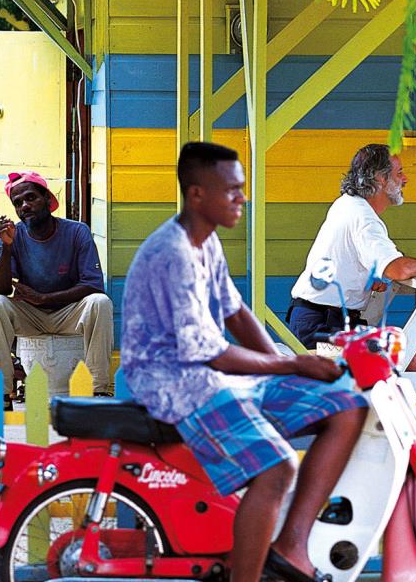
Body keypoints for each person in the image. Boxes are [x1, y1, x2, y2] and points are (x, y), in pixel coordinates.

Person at [122, 142, 370, 582]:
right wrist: (294, 365)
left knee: (346, 404)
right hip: (175, 384)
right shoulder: (173, 253)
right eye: (231, 190)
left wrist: (287, 363)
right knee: (277, 469)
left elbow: (235, 312)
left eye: (242, 189)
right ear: (197, 194)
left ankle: (291, 547)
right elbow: (211, 352)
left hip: (208, 376)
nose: (242, 198)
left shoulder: (205, 241)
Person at [288, 145, 416, 347]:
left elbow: (369, 261)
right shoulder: (364, 218)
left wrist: (378, 274)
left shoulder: (347, 203)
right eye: (400, 173)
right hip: (322, 327)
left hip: (317, 320)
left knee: (406, 355)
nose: (405, 179)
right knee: (409, 360)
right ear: (381, 178)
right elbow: (398, 268)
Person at [0, 171, 113, 409]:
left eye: (31, 198)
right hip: (30, 315)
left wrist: (45, 298)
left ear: (47, 199)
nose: (25, 206)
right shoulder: (12, 235)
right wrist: (7, 247)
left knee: (99, 302)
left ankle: (98, 392)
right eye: (18, 203)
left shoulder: (76, 231)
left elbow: (93, 284)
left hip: (68, 313)